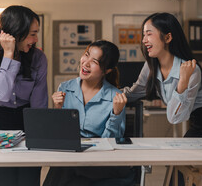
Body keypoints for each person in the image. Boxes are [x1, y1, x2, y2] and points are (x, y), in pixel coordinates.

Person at [123, 12, 202, 186]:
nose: (144, 40)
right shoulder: (150, 65)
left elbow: (175, 118)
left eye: (149, 34)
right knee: (180, 166)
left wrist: (183, 82)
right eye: (144, 35)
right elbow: (134, 92)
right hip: (200, 120)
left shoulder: (190, 70)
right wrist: (106, 94)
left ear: (168, 37)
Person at [43, 40, 135, 186]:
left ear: (107, 70)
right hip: (73, 156)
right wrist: (58, 109)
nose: (85, 63)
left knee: (64, 173)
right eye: (86, 55)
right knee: (66, 169)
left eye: (95, 61)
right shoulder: (65, 88)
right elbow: (60, 136)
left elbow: (111, 142)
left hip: (100, 158)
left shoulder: (115, 96)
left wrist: (116, 114)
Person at [0, 5, 48, 186]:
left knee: (29, 178)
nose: (36, 39)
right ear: (16, 33)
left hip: (28, 117)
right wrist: (9, 55)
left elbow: (39, 102)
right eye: (32, 34)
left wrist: (41, 134)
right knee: (2, 177)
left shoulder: (38, 57)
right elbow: (2, 94)